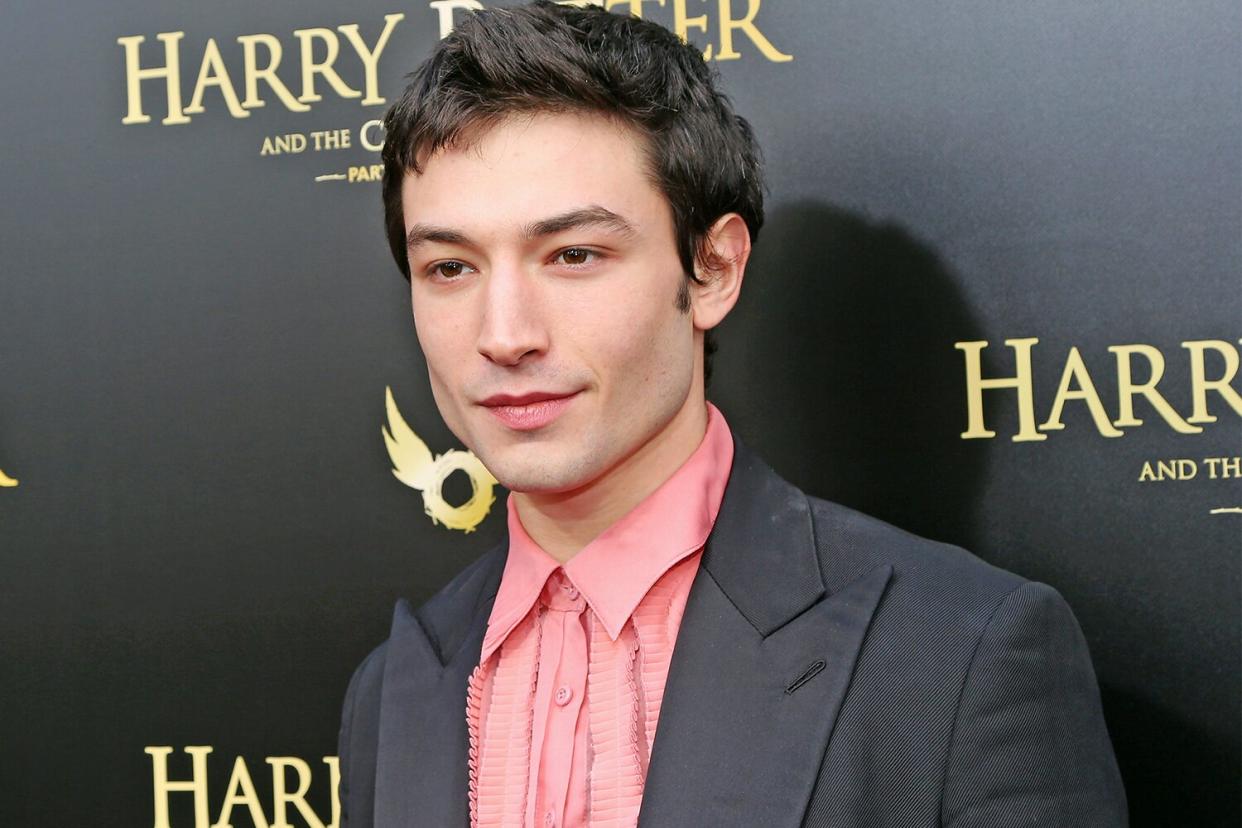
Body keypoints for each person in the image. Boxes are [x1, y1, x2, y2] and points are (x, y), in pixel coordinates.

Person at [336, 2, 1128, 826]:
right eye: (451, 267)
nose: (503, 336)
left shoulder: (962, 655)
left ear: (713, 269)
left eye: (574, 255)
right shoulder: (393, 691)